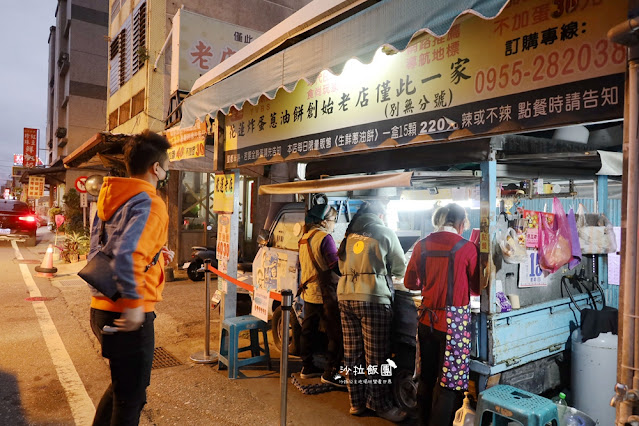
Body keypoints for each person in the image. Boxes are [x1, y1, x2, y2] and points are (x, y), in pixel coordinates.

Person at [88, 130, 174, 426]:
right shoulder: (151, 202)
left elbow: (101, 248)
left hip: (101, 307)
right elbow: (127, 253)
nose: (167, 170)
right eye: (167, 164)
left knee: (121, 388)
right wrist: (135, 305)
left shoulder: (111, 196)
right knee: (131, 398)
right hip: (129, 315)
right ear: (156, 168)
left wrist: (157, 254)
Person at [404, 204, 480, 426]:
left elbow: (410, 283)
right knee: (449, 384)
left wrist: (429, 284)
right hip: (453, 325)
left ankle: (421, 422)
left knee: (426, 378)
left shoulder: (421, 245)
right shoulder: (467, 248)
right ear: (460, 223)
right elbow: (476, 288)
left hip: (425, 320)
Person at [337, 201, 407, 422]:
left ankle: (356, 403)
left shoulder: (350, 235)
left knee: (352, 355)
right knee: (376, 356)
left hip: (346, 297)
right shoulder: (384, 232)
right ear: (380, 213)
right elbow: (400, 268)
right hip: (373, 298)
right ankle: (380, 405)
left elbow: (340, 266)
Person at [298, 204, 345, 387]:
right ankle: (330, 372)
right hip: (325, 293)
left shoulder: (304, 237)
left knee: (308, 330)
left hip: (309, 292)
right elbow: (335, 265)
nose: (334, 224)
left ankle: (307, 367)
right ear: (324, 221)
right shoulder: (325, 238)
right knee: (335, 334)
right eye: (334, 220)